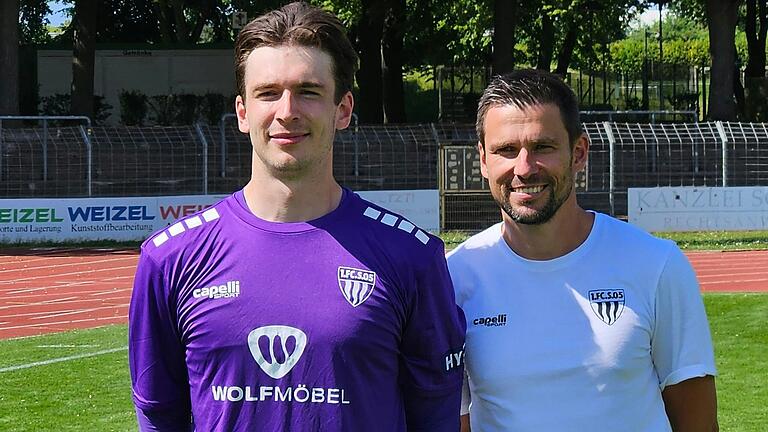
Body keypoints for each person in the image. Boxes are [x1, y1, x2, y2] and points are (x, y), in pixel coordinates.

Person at [128, 3, 466, 431]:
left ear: (343, 110)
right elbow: (159, 416)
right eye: (268, 92)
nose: (287, 111)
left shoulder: (411, 256)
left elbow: (435, 415)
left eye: (308, 91)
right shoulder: (169, 258)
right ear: (242, 111)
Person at [447, 69, 718, 432]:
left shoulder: (655, 265)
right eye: (506, 150)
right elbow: (457, 419)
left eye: (543, 147)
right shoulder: (455, 278)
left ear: (578, 152)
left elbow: (697, 422)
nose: (524, 168)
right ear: (482, 159)